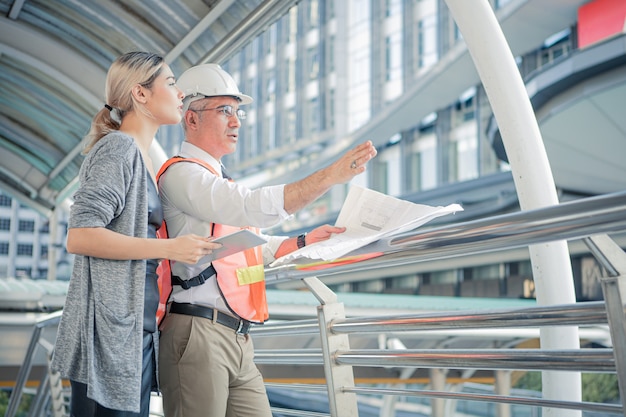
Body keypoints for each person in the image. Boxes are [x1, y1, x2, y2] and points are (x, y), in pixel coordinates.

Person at [157, 63, 377, 417]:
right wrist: (329, 177)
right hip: (198, 333)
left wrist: (303, 241)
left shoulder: (216, 182)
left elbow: (242, 247)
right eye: (224, 110)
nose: (236, 121)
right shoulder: (183, 175)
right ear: (191, 119)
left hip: (237, 338)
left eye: (238, 111)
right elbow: (250, 208)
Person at [51, 52, 221, 416]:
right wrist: (172, 247)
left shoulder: (140, 156)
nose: (181, 94)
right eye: (172, 83)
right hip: (110, 334)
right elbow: (80, 235)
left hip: (130, 330)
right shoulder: (119, 148)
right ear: (140, 94)